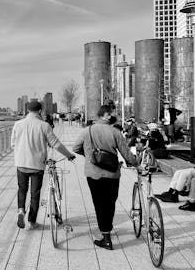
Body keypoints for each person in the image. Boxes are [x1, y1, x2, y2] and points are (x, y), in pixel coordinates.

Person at [73, 105, 137, 250]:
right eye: (112, 114)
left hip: (93, 173)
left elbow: (76, 148)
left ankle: (105, 236)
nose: (115, 116)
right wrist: (136, 163)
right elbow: (126, 153)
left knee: (99, 203)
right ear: (106, 115)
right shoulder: (115, 132)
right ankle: (107, 228)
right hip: (112, 173)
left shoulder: (87, 131)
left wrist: (90, 156)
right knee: (110, 202)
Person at [11, 101, 75, 230]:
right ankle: (32, 221)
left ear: (28, 110)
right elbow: (56, 144)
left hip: (21, 164)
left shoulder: (17, 124)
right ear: (40, 111)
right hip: (37, 165)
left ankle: (21, 210)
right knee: (35, 193)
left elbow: (13, 144)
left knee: (22, 189)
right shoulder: (44, 126)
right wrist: (68, 155)